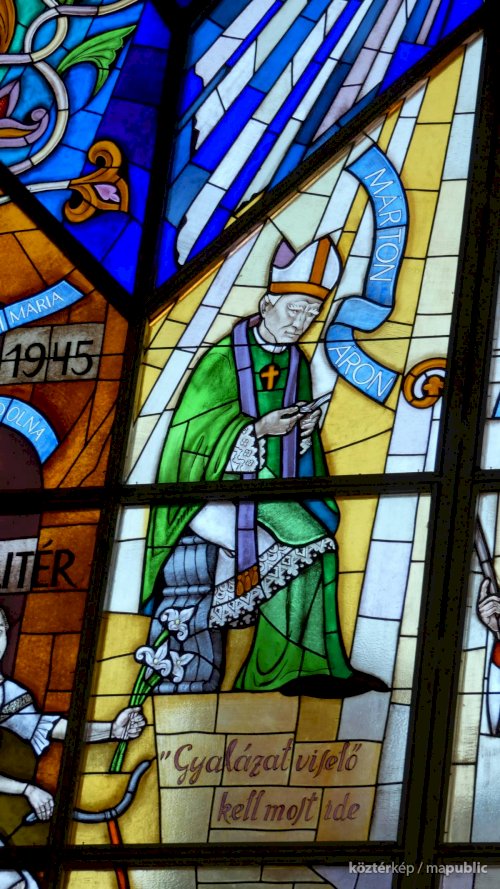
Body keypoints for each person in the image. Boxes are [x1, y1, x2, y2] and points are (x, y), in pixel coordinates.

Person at [141, 236, 388, 697]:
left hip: (268, 489)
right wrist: (254, 430)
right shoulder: (221, 359)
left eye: (310, 314)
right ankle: (272, 673)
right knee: (308, 542)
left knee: (317, 542)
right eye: (294, 309)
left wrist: (302, 431)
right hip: (208, 492)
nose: (300, 322)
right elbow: (191, 438)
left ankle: (314, 665)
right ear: (267, 303)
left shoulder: (295, 361)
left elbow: (292, 449)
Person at [0, 607, 145, 828]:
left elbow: (48, 727)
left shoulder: (8, 693)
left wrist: (112, 730)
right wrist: (26, 789)